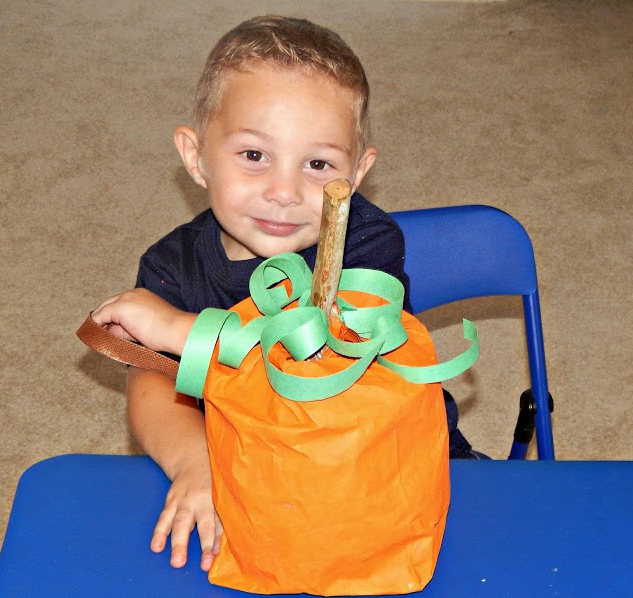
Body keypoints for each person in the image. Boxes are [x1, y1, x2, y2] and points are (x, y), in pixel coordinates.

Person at [91, 15, 478, 575]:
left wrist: (184, 331)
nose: (284, 191)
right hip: (245, 468)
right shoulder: (171, 266)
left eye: (318, 165)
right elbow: (151, 381)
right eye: (254, 155)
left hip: (393, 463)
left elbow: (325, 379)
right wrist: (194, 460)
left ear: (359, 171)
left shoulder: (365, 245)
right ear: (196, 155)